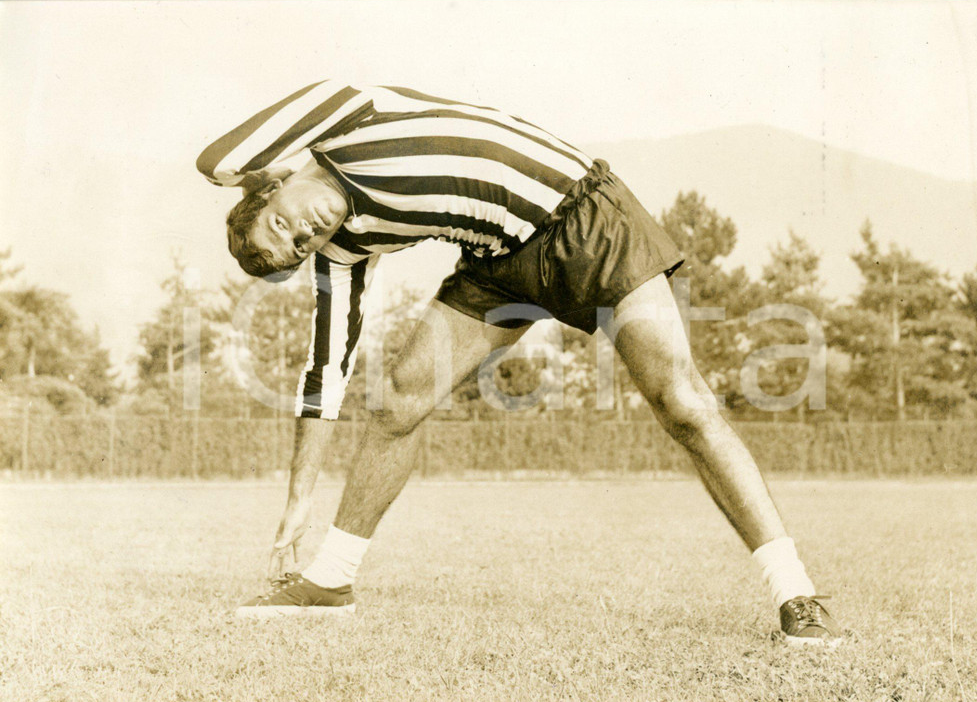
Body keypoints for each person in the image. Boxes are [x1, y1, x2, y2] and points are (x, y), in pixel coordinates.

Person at [197, 82, 841, 645]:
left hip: (587, 221)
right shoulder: (345, 246)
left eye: (283, 226)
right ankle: (331, 581)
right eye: (299, 246)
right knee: (399, 400)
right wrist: (298, 496)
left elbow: (217, 160)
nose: (305, 235)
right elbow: (326, 365)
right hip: (497, 268)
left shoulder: (344, 115)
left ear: (274, 182)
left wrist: (250, 175)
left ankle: (795, 593)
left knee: (683, 404)